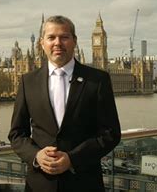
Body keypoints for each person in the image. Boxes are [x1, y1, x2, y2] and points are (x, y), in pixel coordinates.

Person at [8, 15, 121, 192]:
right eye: (51, 37)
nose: (57, 43)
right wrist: (36, 155)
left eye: (64, 37)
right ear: (41, 43)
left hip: (84, 183)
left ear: (74, 41)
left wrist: (72, 159)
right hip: (40, 185)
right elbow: (16, 134)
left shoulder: (98, 80)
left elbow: (111, 133)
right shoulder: (27, 82)